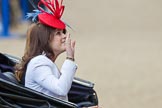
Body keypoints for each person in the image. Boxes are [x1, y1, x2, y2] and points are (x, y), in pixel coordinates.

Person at [15, 0, 77, 101]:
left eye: (63, 32)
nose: (65, 36)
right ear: (45, 39)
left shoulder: (43, 62)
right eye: (58, 33)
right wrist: (70, 58)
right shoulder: (38, 63)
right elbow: (61, 89)